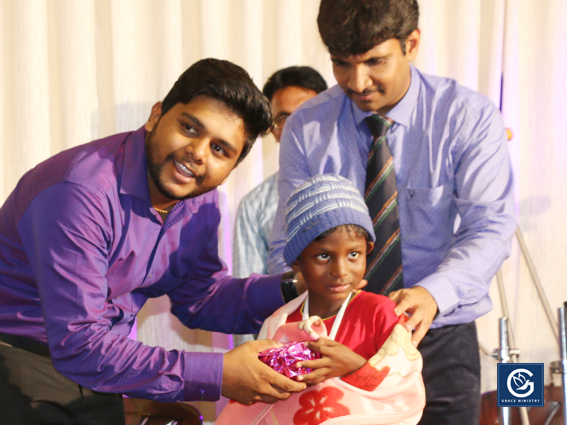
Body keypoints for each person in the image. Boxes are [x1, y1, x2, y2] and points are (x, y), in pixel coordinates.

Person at [0, 58, 306, 425]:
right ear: (156, 115)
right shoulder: (81, 190)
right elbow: (80, 342)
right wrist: (219, 373)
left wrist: (296, 285)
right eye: (190, 128)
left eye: (220, 149)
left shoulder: (201, 202)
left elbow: (202, 299)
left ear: (232, 167)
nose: (198, 153)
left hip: (87, 377)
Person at [266, 1, 517, 424]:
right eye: (341, 64)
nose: (357, 81)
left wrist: (434, 294)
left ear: (411, 44)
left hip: (435, 329)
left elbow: (489, 226)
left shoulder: (467, 118)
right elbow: (286, 244)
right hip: (332, 329)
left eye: (374, 62)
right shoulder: (307, 127)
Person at [217, 174, 425, 425]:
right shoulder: (279, 322)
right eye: (324, 256)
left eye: (353, 254)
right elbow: (260, 397)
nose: (340, 270)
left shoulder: (384, 315)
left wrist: (356, 367)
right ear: (297, 261)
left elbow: (407, 390)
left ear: (367, 250)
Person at [232, 66, 327, 279]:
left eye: (306, 112)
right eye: (283, 117)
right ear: (273, 130)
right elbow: (250, 296)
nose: (294, 125)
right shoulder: (254, 206)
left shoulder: (360, 177)